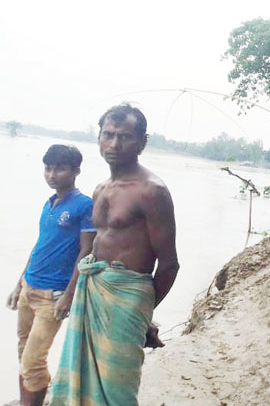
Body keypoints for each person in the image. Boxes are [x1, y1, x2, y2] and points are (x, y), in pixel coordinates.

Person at [50, 104, 179, 405]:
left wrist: (140, 312)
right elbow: (96, 246)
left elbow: (170, 264)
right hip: (93, 292)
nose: (114, 144)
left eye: (125, 136)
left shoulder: (152, 191)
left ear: (142, 142)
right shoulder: (100, 189)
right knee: (79, 383)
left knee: (118, 391)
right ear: (98, 139)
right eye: (108, 134)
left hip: (127, 300)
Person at [5, 145, 96, 406]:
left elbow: (86, 250)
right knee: (24, 354)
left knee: (34, 359)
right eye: (48, 168)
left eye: (59, 168)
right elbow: (40, 244)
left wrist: (69, 295)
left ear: (76, 171)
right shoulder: (50, 203)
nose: (52, 174)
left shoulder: (83, 205)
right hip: (29, 287)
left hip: (52, 296)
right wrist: (18, 284)